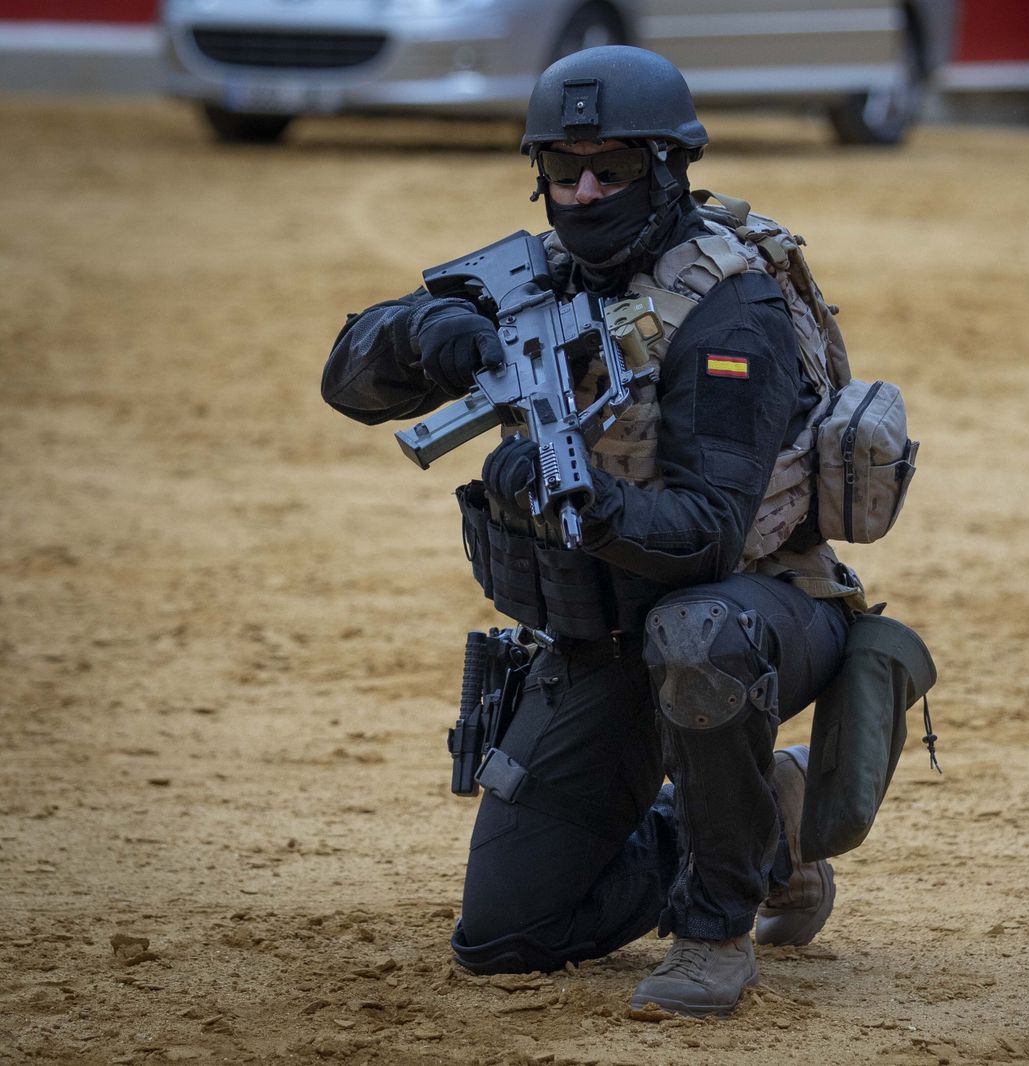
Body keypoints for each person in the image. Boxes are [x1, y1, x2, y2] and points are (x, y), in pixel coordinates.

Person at [319, 45, 868, 1018]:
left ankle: (715, 927)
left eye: (607, 170)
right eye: (560, 171)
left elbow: (705, 534)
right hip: (604, 632)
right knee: (503, 936)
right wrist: (421, 336)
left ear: (664, 170)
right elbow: (344, 379)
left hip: (764, 609)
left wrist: (569, 498)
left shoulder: (730, 307)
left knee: (693, 633)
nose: (581, 191)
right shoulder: (532, 278)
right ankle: (761, 825)